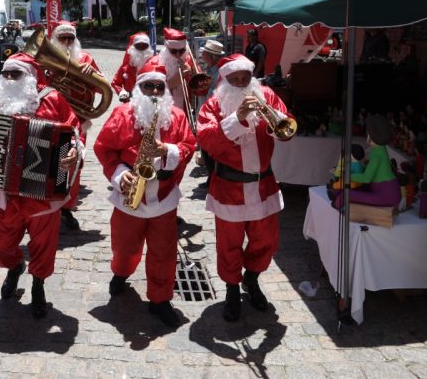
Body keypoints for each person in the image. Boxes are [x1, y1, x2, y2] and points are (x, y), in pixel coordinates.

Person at [0, 53, 81, 318]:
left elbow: (74, 132)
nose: (8, 79)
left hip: (44, 194)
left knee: (43, 245)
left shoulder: (53, 99)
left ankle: (39, 284)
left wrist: (73, 151)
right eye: (5, 74)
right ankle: (15, 266)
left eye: (15, 74)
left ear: (30, 76)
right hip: (5, 190)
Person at [93, 57, 196, 326]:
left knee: (164, 252)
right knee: (124, 248)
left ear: (165, 91)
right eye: (148, 86)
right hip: (129, 196)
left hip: (164, 198)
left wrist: (168, 150)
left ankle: (160, 299)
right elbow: (103, 148)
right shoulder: (122, 115)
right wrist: (118, 173)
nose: (153, 92)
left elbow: (189, 146)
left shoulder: (177, 116)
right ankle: (121, 273)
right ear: (138, 89)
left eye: (159, 88)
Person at [197, 53, 292, 322]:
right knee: (229, 245)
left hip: (264, 185)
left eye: (245, 78)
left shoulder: (266, 94)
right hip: (229, 187)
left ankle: (251, 278)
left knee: (267, 242)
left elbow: (286, 127)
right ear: (225, 79)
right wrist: (237, 118)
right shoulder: (214, 104)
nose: (240, 83)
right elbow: (206, 139)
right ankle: (231, 289)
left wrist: (271, 116)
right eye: (234, 78)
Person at [48, 21, 101, 231]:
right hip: (52, 118)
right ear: (55, 39)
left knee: (74, 163)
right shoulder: (48, 59)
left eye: (71, 38)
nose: (68, 42)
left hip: (78, 119)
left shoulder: (86, 58)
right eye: (63, 38)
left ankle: (67, 207)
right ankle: (48, 202)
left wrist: (92, 75)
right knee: (50, 162)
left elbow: (101, 88)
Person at [331, 115, 400, 209]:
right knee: (353, 188)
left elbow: (366, 178)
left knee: (348, 194)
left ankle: (337, 204)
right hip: (380, 188)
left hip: (387, 194)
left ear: (374, 135)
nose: (366, 134)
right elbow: (372, 171)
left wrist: (347, 175)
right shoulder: (379, 149)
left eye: (368, 133)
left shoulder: (377, 155)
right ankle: (335, 194)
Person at [197, 39, 225, 185]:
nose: (203, 57)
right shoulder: (209, 70)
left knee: (210, 147)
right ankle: (211, 175)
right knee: (204, 145)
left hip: (212, 113)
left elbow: (217, 93)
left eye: (205, 54)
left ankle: (213, 176)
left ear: (212, 57)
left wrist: (203, 84)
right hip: (205, 110)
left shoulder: (219, 72)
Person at [157, 27, 195, 110]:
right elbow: (153, 89)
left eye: (182, 51)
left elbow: (200, 84)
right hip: (164, 106)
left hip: (184, 105)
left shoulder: (188, 59)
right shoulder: (157, 62)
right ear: (167, 49)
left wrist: (192, 73)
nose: (178, 55)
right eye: (173, 51)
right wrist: (173, 82)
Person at [111, 32, 153, 102]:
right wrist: (122, 92)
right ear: (133, 47)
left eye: (144, 46)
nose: (141, 48)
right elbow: (115, 82)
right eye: (138, 46)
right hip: (130, 102)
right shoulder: (125, 67)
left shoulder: (155, 64)